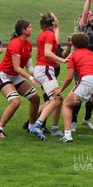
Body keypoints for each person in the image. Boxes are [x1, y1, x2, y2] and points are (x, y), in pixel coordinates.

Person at [51, 33, 93, 142]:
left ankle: (67, 135)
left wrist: (60, 90)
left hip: (88, 80)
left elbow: (69, 77)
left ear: (74, 44)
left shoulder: (73, 55)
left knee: (67, 105)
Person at [0, 20, 42, 139]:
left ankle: (31, 126)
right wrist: (31, 78)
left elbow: (29, 67)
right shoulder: (15, 43)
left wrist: (39, 77)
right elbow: (17, 67)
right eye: (29, 27)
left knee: (35, 98)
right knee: (15, 101)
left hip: (15, 76)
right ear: (23, 30)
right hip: (2, 75)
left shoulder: (28, 44)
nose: (32, 29)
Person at [29, 12, 71, 141]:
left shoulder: (44, 34)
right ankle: (38, 125)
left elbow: (43, 53)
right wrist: (62, 60)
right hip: (45, 69)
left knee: (57, 99)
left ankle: (54, 128)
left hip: (43, 69)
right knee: (56, 99)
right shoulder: (49, 34)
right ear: (52, 22)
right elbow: (47, 53)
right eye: (56, 20)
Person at [71, 0, 93, 131]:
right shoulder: (82, 28)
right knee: (79, 94)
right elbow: (85, 13)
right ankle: (73, 121)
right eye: (88, 14)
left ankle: (87, 119)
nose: (90, 15)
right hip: (81, 65)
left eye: (92, 14)